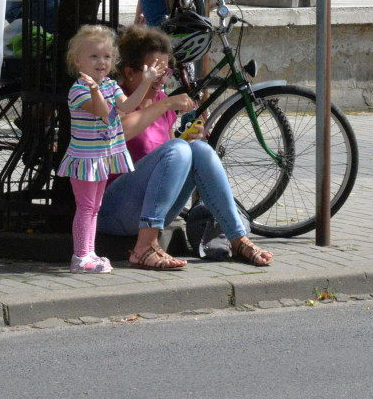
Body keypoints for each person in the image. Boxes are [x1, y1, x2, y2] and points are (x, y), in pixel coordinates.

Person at [98, 25, 274, 268]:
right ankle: (145, 247)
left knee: (198, 150)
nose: (161, 80)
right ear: (129, 72)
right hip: (111, 210)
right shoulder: (117, 96)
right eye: (155, 73)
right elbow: (121, 130)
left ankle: (237, 238)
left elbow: (170, 156)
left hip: (152, 211)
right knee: (179, 149)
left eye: (165, 72)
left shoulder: (160, 101)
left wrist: (190, 140)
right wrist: (167, 105)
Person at [57, 25, 160, 273]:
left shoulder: (111, 86)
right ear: (77, 60)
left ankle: (88, 253)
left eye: (106, 56)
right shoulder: (79, 89)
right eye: (93, 56)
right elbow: (102, 112)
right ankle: (80, 256)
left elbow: (128, 107)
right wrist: (94, 89)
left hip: (102, 157)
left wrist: (145, 82)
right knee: (85, 207)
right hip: (85, 159)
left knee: (94, 207)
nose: (101, 62)